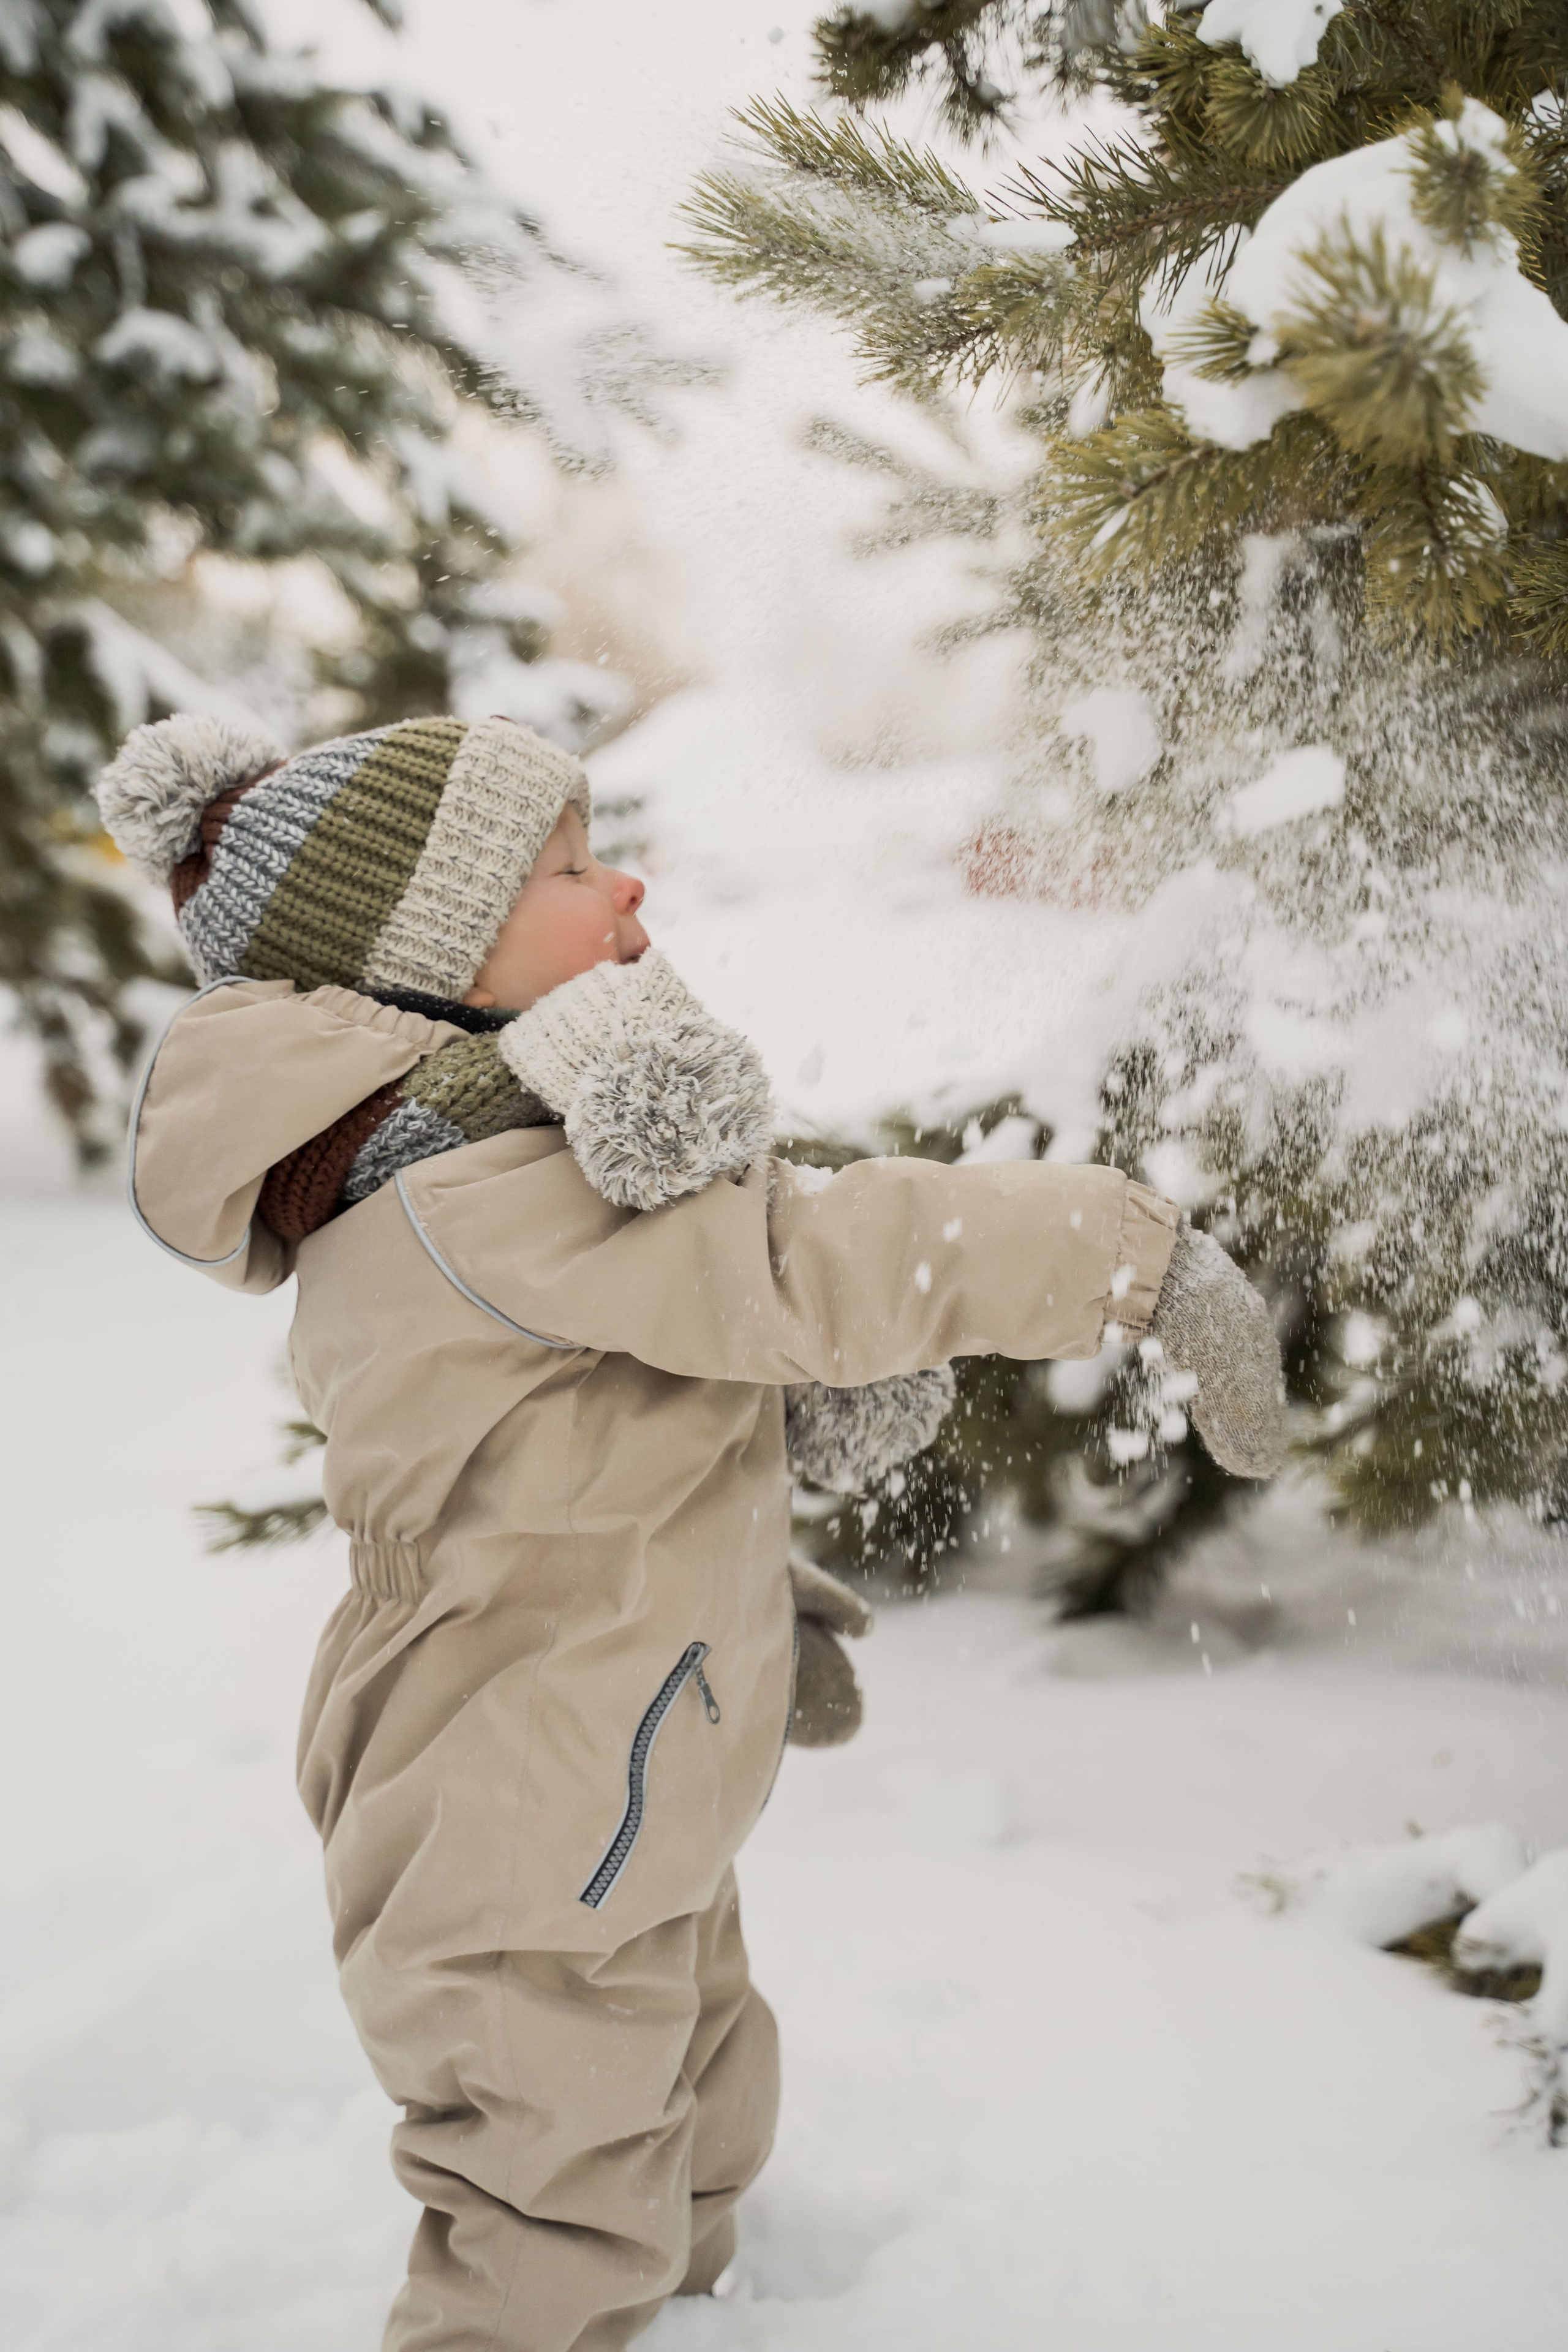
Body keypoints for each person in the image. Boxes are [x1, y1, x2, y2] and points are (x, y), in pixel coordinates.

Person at [97, 710, 1284, 2352]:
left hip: (587, 1750)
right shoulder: (481, 1194)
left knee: (690, 2093)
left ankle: (698, 2309)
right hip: (519, 1785)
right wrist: (1128, 1256)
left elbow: (577, 1474)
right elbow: (806, 1263)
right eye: (571, 866)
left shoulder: (467, 1171)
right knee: (550, 2200)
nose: (626, 883)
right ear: (425, 952)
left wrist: (737, 1615)